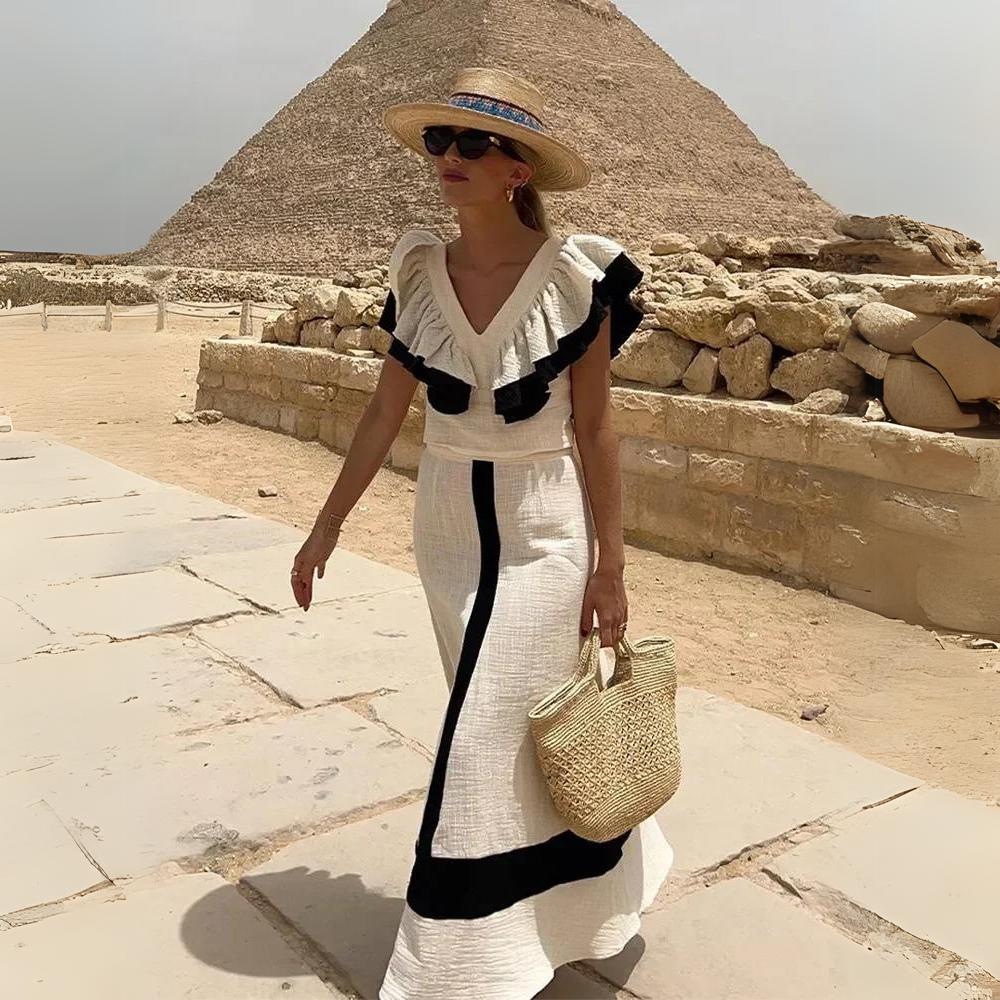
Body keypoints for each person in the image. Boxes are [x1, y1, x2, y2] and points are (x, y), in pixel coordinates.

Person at [290, 67, 673, 1000]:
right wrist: (324, 528)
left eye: (473, 143)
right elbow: (385, 412)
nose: (448, 158)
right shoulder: (418, 273)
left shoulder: (578, 276)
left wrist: (612, 567)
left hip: (546, 526)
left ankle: (461, 968)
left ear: (517, 169)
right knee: (508, 733)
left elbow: (596, 428)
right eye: (439, 141)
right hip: (448, 525)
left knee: (481, 733)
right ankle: (569, 913)